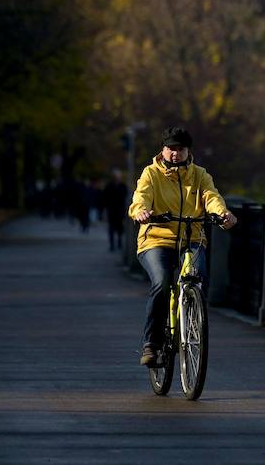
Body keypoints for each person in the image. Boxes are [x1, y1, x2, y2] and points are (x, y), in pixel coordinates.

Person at [128, 126, 237, 366]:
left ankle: (191, 323)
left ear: (188, 151)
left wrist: (223, 213)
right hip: (156, 239)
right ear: (163, 149)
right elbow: (140, 197)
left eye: (180, 149)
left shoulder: (199, 175)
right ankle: (151, 344)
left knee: (199, 277)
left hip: (192, 238)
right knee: (162, 281)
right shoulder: (151, 174)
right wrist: (141, 212)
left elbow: (211, 197)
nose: (175, 154)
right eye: (171, 149)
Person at [102, 169, 128, 252]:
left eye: (119, 176)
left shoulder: (123, 186)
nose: (118, 177)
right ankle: (112, 244)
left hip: (120, 210)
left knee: (120, 227)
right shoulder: (109, 186)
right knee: (111, 228)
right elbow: (105, 197)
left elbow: (125, 195)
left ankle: (119, 242)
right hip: (111, 210)